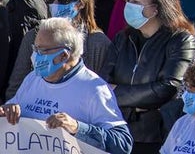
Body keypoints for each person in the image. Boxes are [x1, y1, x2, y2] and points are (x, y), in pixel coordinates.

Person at [102, 0, 195, 153]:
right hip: (117, 131)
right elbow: (103, 86)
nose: (129, 6)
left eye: (136, 2)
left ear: (155, 8)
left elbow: (168, 88)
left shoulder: (181, 41)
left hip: (154, 137)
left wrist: (117, 93)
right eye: (129, 0)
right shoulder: (123, 38)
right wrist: (135, 107)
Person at [3, 17, 131, 154]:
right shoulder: (33, 78)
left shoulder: (94, 88)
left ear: (64, 55)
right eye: (35, 48)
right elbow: (11, 114)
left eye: (42, 50)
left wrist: (77, 127)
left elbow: (123, 144)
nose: (35, 55)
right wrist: (7, 112)